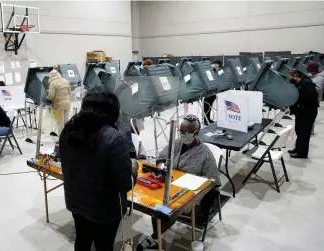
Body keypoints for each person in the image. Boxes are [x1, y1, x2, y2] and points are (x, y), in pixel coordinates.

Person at [59, 87, 137, 251]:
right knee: (104, 245)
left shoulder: (69, 128)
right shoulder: (113, 138)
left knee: (82, 240)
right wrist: (134, 168)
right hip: (104, 211)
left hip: (76, 201)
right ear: (112, 111)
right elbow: (125, 183)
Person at [137, 114, 221, 251]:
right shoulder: (176, 143)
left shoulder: (205, 154)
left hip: (188, 193)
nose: (182, 134)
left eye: (185, 132)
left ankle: (153, 238)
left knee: (169, 208)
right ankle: (156, 237)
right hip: (169, 186)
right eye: (180, 131)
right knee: (155, 206)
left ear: (196, 133)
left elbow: (213, 183)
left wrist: (203, 210)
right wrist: (161, 167)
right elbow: (161, 157)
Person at [288, 69, 319, 158]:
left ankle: (302, 153)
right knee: (299, 131)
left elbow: (310, 98)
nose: (289, 78)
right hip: (302, 111)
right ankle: (298, 148)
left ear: (295, 76)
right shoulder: (301, 83)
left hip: (307, 112)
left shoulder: (306, 83)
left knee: (304, 133)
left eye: (290, 76)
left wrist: (299, 104)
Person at [48, 66, 71, 134]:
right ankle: (67, 137)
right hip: (67, 103)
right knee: (66, 121)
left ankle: (61, 139)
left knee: (60, 122)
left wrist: (48, 97)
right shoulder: (65, 81)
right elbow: (69, 93)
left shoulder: (53, 83)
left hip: (58, 105)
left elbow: (51, 96)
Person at [203, 60, 222, 125]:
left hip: (212, 92)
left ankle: (208, 119)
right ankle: (205, 120)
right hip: (207, 92)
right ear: (216, 64)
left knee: (209, 106)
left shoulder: (214, 70)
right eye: (218, 66)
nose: (218, 67)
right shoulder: (208, 69)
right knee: (206, 106)